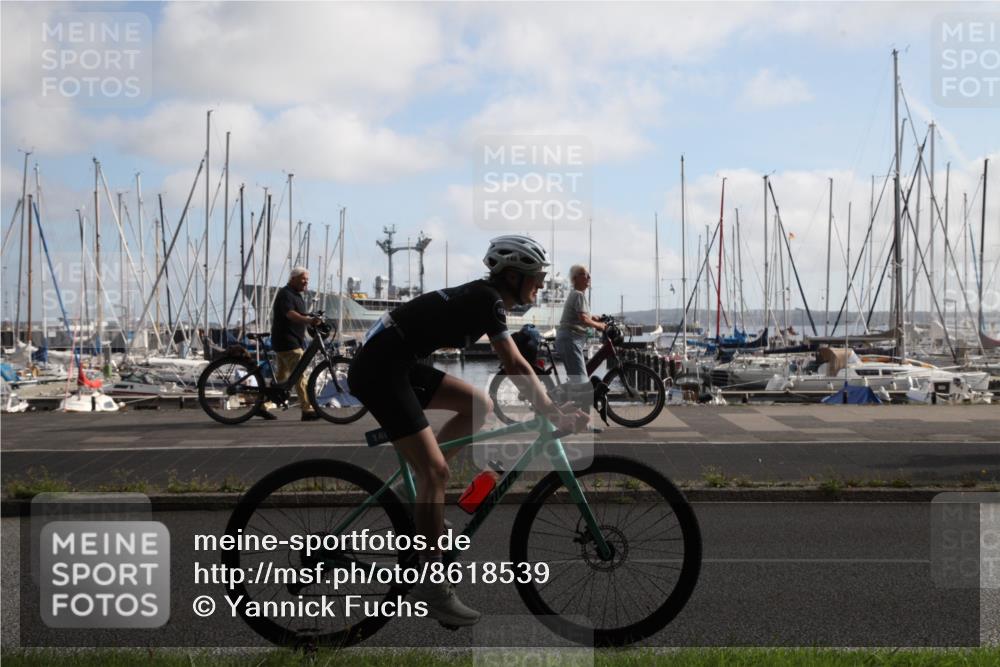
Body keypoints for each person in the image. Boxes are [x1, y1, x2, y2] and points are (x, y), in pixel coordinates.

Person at [348, 235, 587, 627]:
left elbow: (515, 364)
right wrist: (552, 411)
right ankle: (431, 585)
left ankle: (418, 490)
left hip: (396, 363)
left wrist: (548, 404)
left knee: (479, 405)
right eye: (536, 277)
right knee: (436, 473)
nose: (541, 284)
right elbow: (514, 363)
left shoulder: (486, 298)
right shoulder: (487, 300)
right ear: (513, 276)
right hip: (380, 371)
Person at [269, 266, 323, 421]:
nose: (306, 282)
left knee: (282, 378)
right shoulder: (286, 294)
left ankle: (262, 405)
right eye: (303, 279)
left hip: (288, 341)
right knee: (300, 374)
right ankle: (307, 409)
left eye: (307, 279)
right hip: (288, 342)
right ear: (293, 279)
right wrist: (308, 320)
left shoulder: (296, 295)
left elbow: (300, 313)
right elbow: (290, 314)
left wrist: (312, 316)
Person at [556, 264, 606, 383]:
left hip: (570, 339)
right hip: (571, 339)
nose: (589, 277)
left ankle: (570, 393)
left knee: (577, 377)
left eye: (589, 275)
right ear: (575, 278)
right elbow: (583, 319)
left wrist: (594, 317)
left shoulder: (576, 294)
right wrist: (600, 326)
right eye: (584, 274)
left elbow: (582, 315)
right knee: (581, 380)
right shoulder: (578, 294)